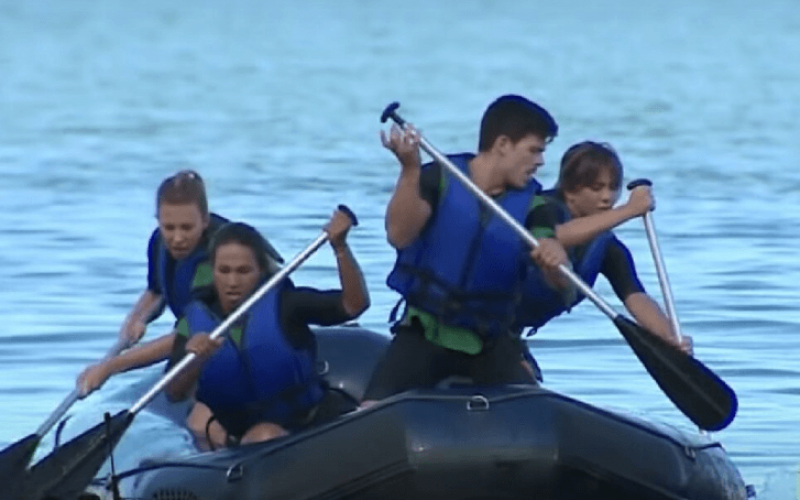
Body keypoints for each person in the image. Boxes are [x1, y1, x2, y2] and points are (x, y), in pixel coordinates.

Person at [362, 95, 569, 403]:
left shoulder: (535, 206)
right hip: (427, 332)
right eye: (534, 150)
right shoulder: (439, 177)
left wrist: (555, 259)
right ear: (502, 144)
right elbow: (399, 235)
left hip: (489, 341)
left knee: (536, 411)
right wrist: (409, 169)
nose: (540, 161)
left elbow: (549, 246)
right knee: (371, 410)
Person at [165, 209, 370, 449]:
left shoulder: (285, 304)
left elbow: (354, 305)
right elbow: (174, 392)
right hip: (247, 442)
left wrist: (341, 249)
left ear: (260, 271)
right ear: (212, 270)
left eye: (243, 271)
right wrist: (194, 361)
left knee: (265, 434)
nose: (232, 282)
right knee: (236, 430)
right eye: (224, 271)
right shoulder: (194, 321)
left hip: (311, 424)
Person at [75, 170, 284, 397]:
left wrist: (111, 366)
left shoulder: (218, 261)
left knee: (178, 389)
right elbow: (156, 291)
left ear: (204, 220)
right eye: (169, 227)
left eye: (186, 227)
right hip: (199, 339)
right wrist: (136, 319)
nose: (177, 238)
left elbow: (186, 333)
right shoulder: (158, 242)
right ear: (158, 221)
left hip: (250, 341)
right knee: (173, 391)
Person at [517, 141, 693, 355]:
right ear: (570, 190)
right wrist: (629, 210)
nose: (607, 197)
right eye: (596, 188)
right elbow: (557, 236)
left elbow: (635, 296)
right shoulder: (543, 208)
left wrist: (670, 337)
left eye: (613, 187)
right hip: (488, 316)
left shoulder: (605, 246)